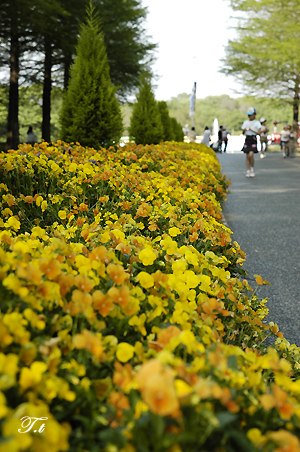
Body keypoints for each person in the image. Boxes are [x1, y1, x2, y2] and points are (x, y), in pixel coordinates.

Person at [241, 107, 262, 177]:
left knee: (251, 154)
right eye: (249, 115)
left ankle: (252, 168)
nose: (250, 116)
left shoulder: (257, 123)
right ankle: (248, 170)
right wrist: (244, 130)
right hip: (247, 138)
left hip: (253, 138)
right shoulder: (245, 122)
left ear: (255, 114)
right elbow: (243, 132)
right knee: (247, 156)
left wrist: (252, 130)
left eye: (251, 115)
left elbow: (259, 133)